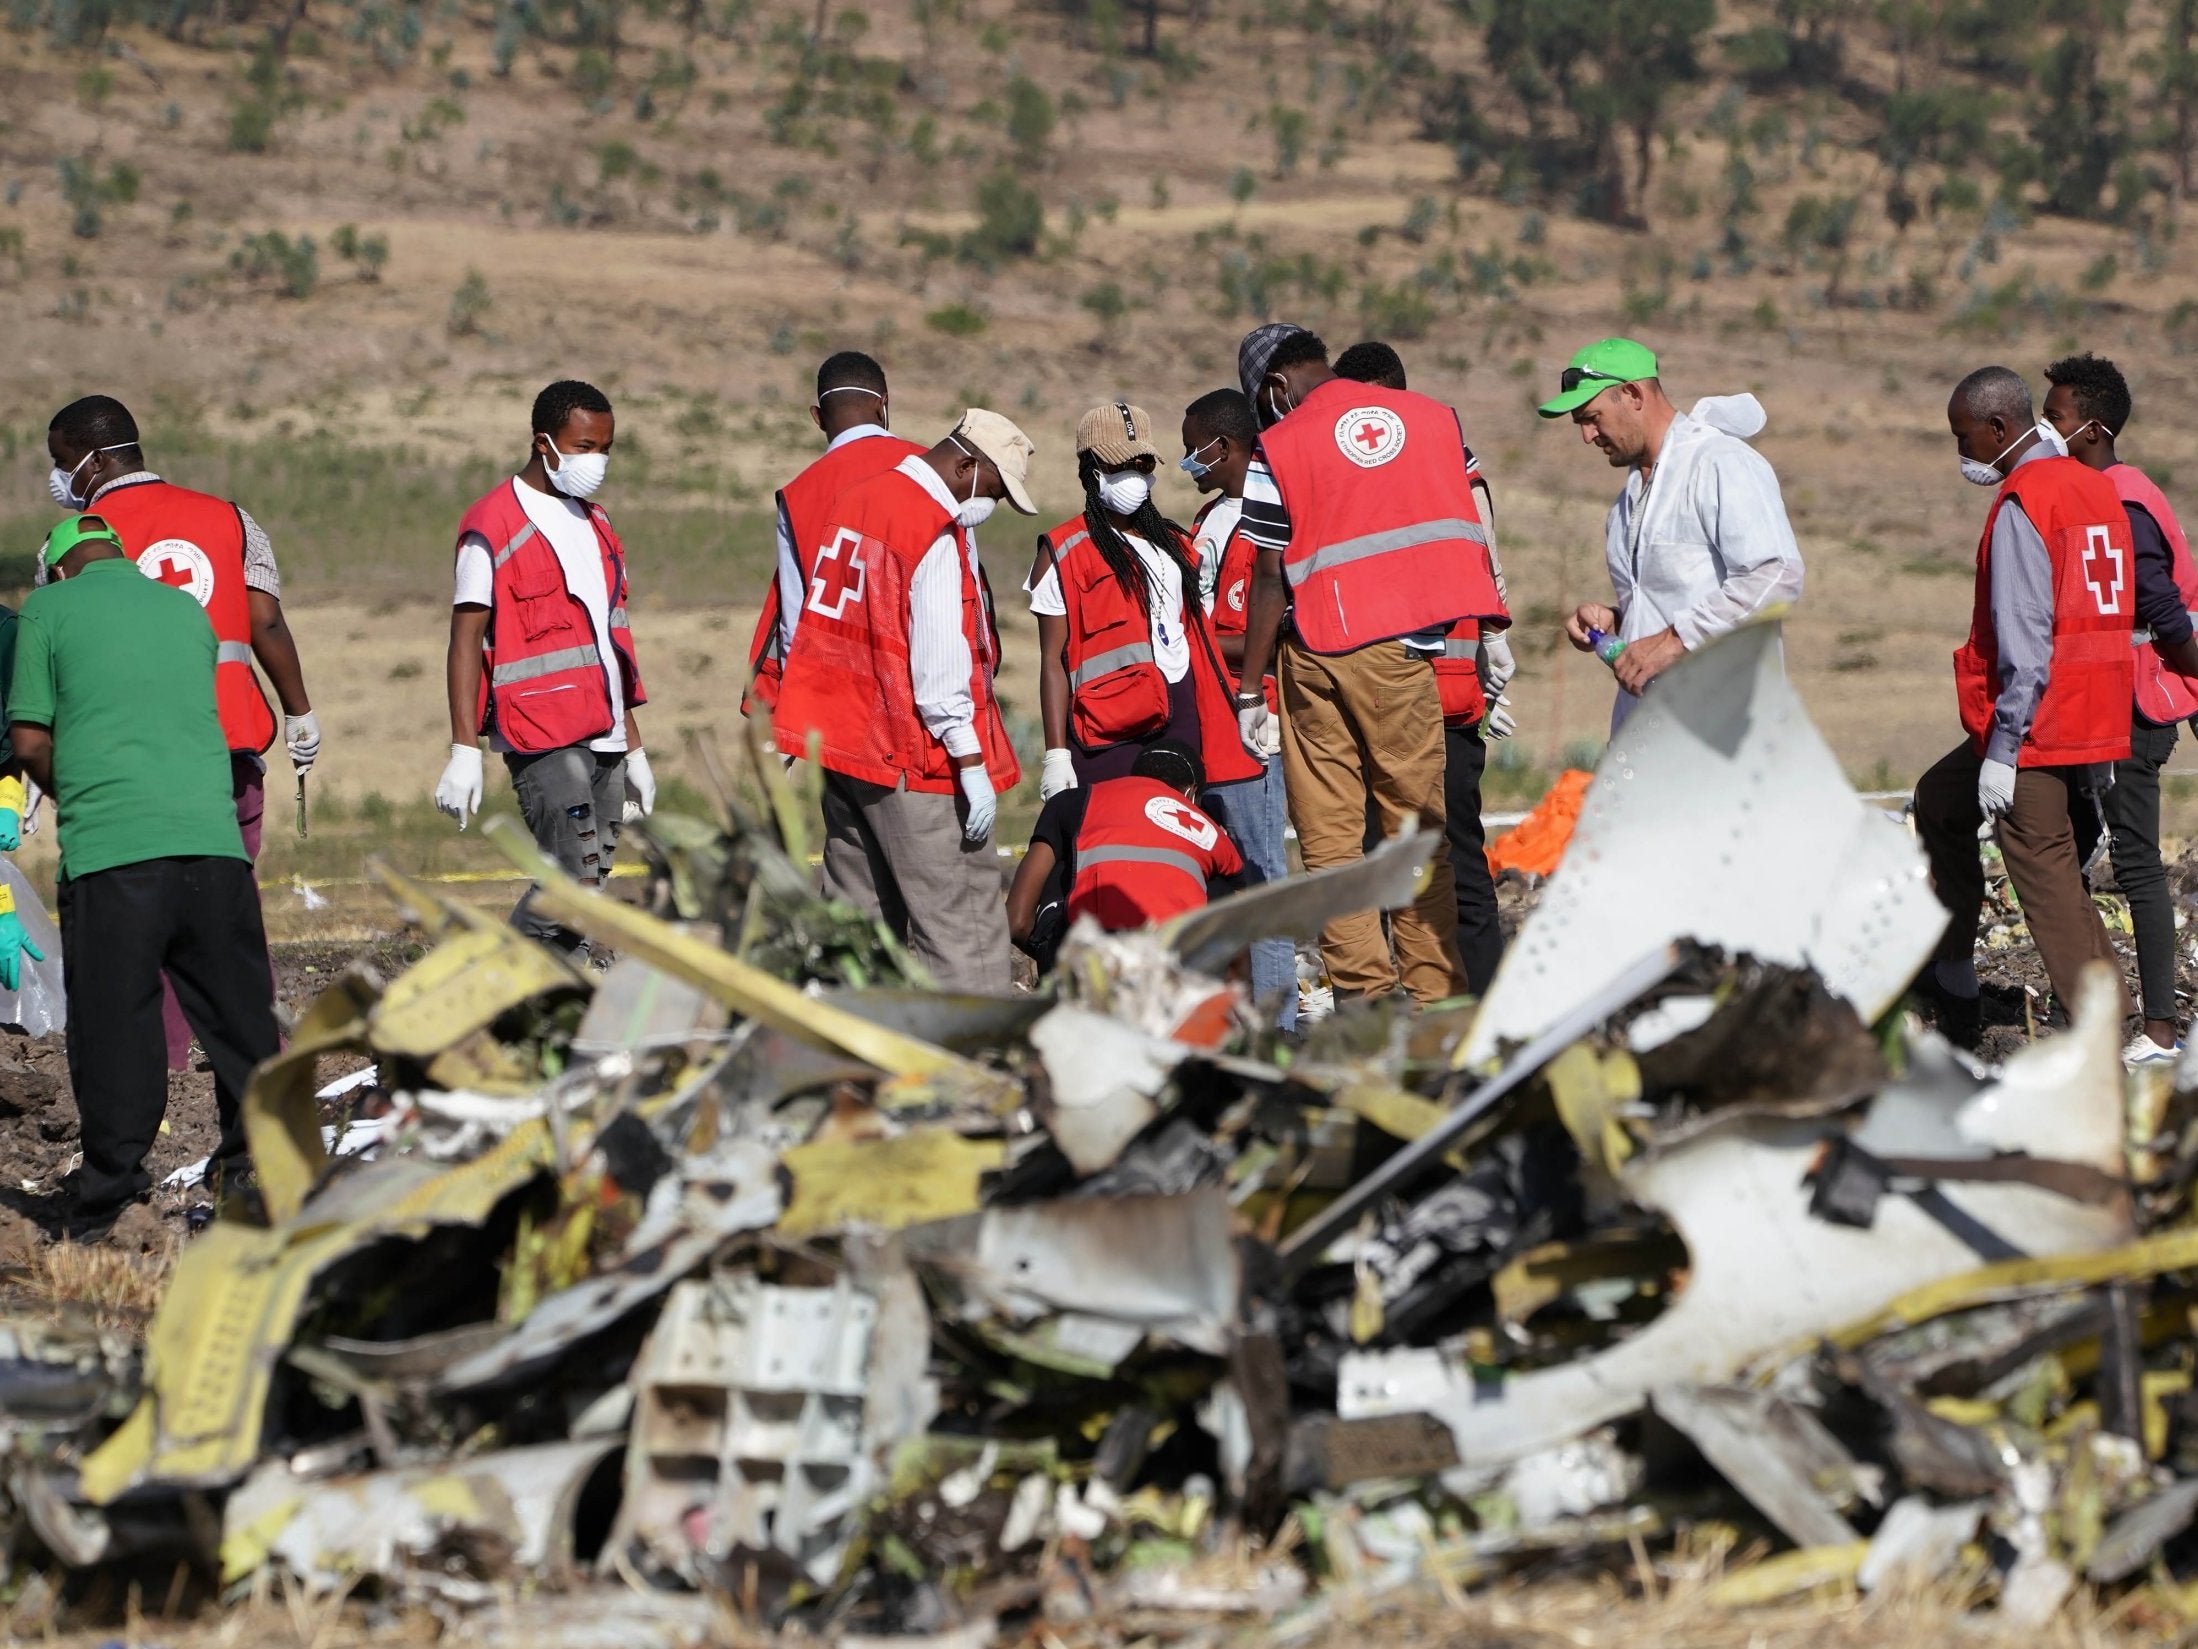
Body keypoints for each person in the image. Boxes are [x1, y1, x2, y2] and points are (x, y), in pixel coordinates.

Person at [11, 513, 281, 1242]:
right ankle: (253, 1178)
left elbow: (30, 735)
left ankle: (110, 1205)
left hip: (114, 854)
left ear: (60, 568)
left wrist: (81, 792)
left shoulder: (49, 608)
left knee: (115, 1026)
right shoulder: (183, 608)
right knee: (240, 1020)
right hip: (214, 848)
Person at [1232, 323, 1507, 1005]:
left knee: (1330, 844)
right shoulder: (1432, 419)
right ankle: (1435, 997)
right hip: (1401, 654)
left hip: (1314, 655)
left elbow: (1270, 575)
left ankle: (1364, 1001)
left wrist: (1248, 691)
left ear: (1273, 387)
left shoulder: (1280, 442)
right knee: (1416, 835)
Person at [45, 394, 316, 1070]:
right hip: (229, 750)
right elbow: (267, 623)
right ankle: (263, 1067)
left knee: (139, 929)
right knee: (232, 918)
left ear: (94, 459)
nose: (58, 478)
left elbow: (59, 653)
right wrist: (299, 709)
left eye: (60, 462)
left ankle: (155, 1068)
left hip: (130, 763)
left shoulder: (77, 544)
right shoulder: (228, 519)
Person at [1912, 365, 2134, 1049]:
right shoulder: (2094, 491)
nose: (1962, 454)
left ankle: (2105, 1036)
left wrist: (2005, 749)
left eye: (1965, 437)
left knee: (2047, 881)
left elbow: (2026, 642)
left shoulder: (2024, 502)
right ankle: (1951, 972)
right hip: (2088, 716)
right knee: (1939, 801)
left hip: (2036, 725)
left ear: (2000, 428)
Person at [772, 410, 1030, 992]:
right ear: (966, 466)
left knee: (857, 916)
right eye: (992, 490)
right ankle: (978, 1060)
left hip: (841, 743)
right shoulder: (930, 527)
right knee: (961, 922)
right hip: (910, 751)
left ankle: (851, 1054)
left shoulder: (861, 498)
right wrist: (969, 760)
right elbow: (939, 664)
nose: (989, 507)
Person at [434, 380, 655, 956]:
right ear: (544, 444)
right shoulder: (493, 522)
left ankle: (557, 1009)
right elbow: (465, 641)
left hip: (604, 732)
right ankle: (497, 990)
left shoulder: (597, 523)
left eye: (605, 448)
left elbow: (612, 643)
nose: (597, 462)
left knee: (593, 884)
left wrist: (634, 748)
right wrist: (464, 749)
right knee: (572, 880)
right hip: (541, 735)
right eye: (584, 447)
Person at [1334, 340, 1510, 992]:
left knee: (1447, 863)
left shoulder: (1421, 475)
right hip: (1427, 696)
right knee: (1425, 865)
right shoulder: (1451, 470)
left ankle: (1476, 1007)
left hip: (1428, 698)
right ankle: (1453, 1001)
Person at [2043, 352, 2198, 1064]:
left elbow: (2161, 607)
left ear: (2094, 428)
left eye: (2058, 418)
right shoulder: (2099, 490)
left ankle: (2161, 1029)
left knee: (2136, 859)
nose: (2049, 428)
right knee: (2079, 839)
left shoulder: (2123, 500)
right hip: (2110, 693)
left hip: (2140, 697)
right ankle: (2093, 1003)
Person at [1538, 339, 1804, 725]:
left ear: (1632, 394)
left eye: (1592, 417)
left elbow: (1777, 574)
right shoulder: (1622, 508)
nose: (1587, 436)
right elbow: (1676, 598)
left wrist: (1674, 642)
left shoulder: (1719, 463)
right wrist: (1616, 621)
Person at [1027, 402, 1259, 807]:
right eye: (1120, 465)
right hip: (1107, 726)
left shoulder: (1174, 543)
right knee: (1110, 834)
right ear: (1090, 469)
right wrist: (1056, 754)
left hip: (1180, 710)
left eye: (1143, 464)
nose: (1135, 476)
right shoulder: (1062, 550)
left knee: (1176, 830)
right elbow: (1052, 660)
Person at [1181, 387, 1295, 1029]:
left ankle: (1276, 1026)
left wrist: (1178, 630)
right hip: (1215, 714)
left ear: (1222, 446)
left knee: (1259, 878)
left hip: (1248, 720)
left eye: (1191, 449)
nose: (1185, 463)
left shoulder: (1254, 517)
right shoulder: (1215, 516)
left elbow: (1260, 626)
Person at [745, 351, 924, 714]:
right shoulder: (932, 470)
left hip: (842, 707)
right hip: (926, 695)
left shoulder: (798, 494)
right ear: (884, 404)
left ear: (817, 417)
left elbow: (795, 623)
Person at [1007, 740, 1243, 961]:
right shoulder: (1208, 830)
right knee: (1218, 884)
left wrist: (1051, 960)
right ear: (1191, 792)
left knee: (1065, 856)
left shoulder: (1077, 799)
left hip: (1088, 957)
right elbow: (1246, 908)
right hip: (1174, 964)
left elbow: (1016, 921)